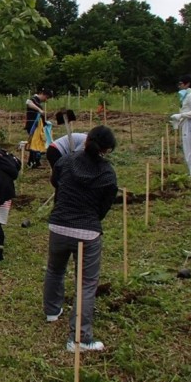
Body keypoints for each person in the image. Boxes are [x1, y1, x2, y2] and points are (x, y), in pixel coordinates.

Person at [43, 125, 118, 353]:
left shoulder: (66, 161)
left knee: (55, 269)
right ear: (107, 149)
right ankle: (80, 339)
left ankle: (51, 311)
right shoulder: (107, 172)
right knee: (86, 283)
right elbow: (106, 204)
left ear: (86, 140)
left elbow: (56, 182)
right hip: (87, 232)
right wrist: (93, 219)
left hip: (58, 225)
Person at [170, 75, 191, 177]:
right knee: (187, 149)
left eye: (181, 83)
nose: (179, 86)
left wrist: (181, 115)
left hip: (190, 123)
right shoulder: (186, 96)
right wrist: (178, 120)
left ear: (187, 83)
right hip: (186, 123)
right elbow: (187, 110)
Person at [25, 89, 53, 168]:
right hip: (32, 125)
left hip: (37, 126)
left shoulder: (38, 102)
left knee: (36, 142)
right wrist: (39, 110)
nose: (46, 100)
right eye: (46, 97)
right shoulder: (33, 99)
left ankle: (34, 162)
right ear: (42, 94)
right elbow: (28, 102)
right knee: (34, 142)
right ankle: (33, 163)